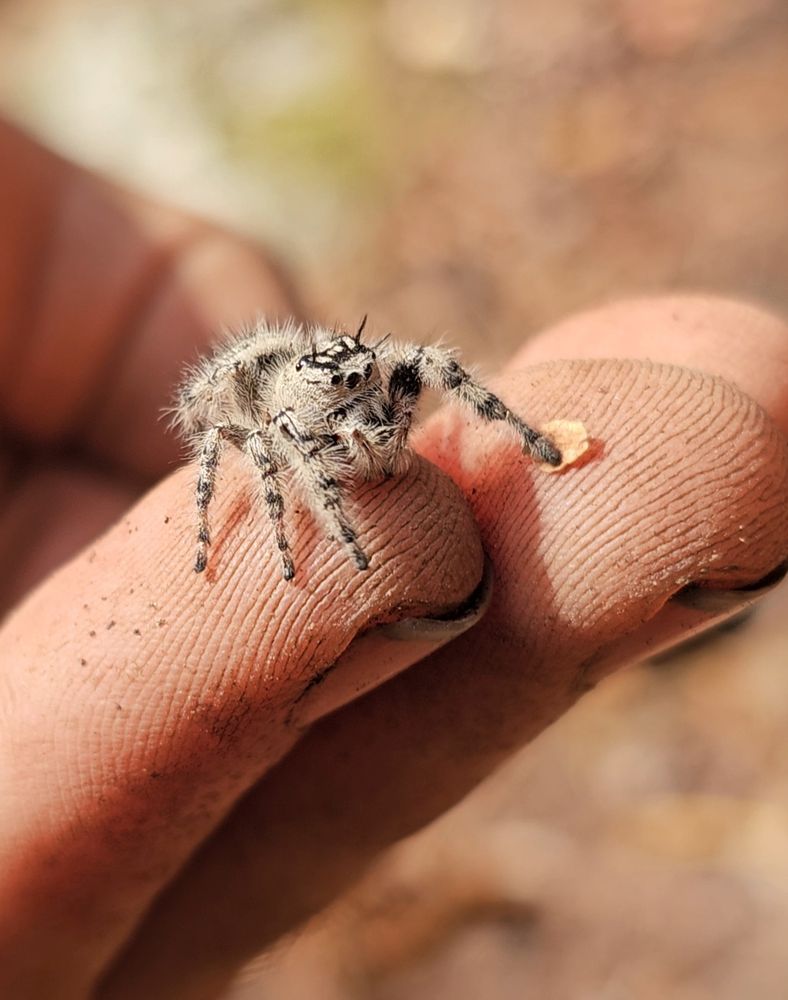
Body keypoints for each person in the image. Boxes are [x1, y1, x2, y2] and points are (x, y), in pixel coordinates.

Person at [0, 119, 786, 998]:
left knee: (431, 362)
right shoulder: (273, 421)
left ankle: (513, 437)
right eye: (349, 397)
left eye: (368, 389)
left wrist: (516, 433)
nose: (372, 410)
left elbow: (423, 367)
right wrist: (326, 538)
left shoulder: (375, 380)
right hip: (251, 406)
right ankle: (295, 545)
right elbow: (253, 441)